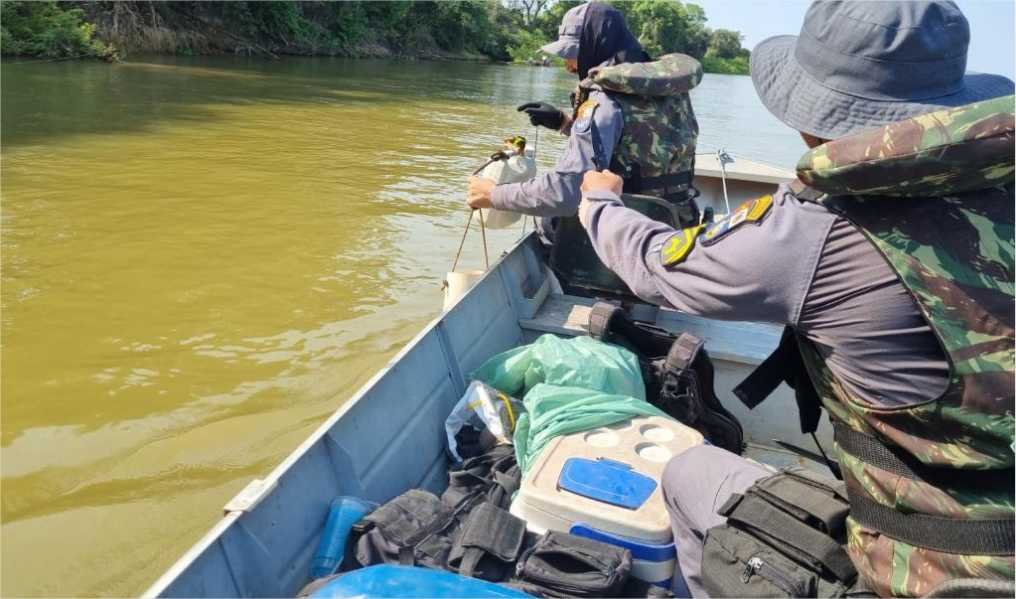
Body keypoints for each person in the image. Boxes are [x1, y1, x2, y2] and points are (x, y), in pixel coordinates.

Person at [577, 1, 1014, 597]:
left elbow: (656, 268)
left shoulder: (814, 228)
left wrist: (600, 202)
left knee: (690, 472)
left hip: (934, 573)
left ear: (811, 117)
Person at [465, 1, 700, 256]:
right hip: (677, 232)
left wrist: (493, 194)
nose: (568, 65)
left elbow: (565, 193)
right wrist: (565, 123)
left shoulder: (604, 100)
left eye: (573, 53)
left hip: (627, 241)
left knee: (550, 222)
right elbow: (639, 150)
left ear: (594, 48)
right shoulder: (672, 92)